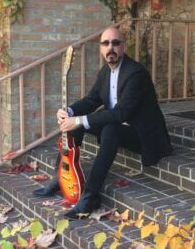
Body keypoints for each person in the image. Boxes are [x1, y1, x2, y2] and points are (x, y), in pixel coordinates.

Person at [33, 26, 173, 219]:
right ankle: (60, 179)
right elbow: (92, 100)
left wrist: (80, 120)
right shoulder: (105, 73)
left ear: (123, 46)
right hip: (120, 127)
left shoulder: (136, 73)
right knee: (74, 124)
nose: (111, 48)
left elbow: (121, 113)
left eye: (116, 43)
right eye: (106, 43)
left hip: (143, 136)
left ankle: (90, 195)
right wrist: (69, 112)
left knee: (109, 129)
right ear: (100, 48)